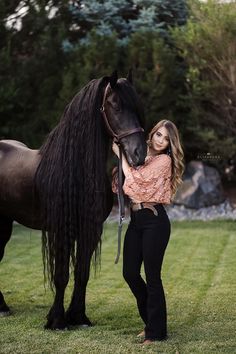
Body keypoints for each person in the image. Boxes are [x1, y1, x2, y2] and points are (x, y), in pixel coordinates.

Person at [112, 119, 184, 345]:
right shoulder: (141, 154)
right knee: (130, 273)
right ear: (152, 134)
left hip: (155, 221)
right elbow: (121, 182)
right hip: (136, 221)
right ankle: (151, 322)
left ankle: (156, 332)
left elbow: (138, 181)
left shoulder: (164, 160)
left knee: (153, 278)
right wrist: (123, 156)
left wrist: (120, 156)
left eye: (166, 138)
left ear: (171, 143)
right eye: (158, 135)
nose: (161, 140)